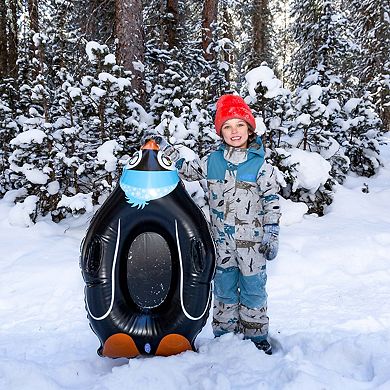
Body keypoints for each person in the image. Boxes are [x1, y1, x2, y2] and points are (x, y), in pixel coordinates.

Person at [154, 94, 281, 354]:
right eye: (228, 126)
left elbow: (271, 201)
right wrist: (166, 149)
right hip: (221, 243)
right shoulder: (212, 161)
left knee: (253, 290)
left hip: (252, 246)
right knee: (223, 290)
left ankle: (257, 337)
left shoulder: (261, 166)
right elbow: (186, 170)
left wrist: (271, 232)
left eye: (240, 125)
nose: (234, 131)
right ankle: (225, 337)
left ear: (249, 128)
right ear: (221, 132)